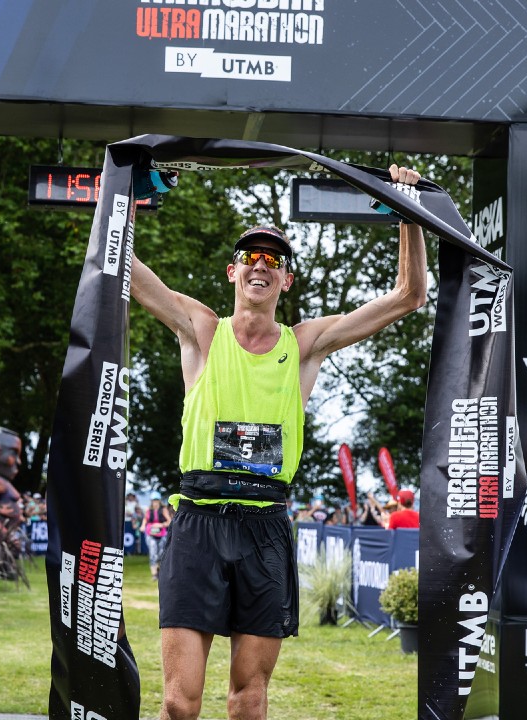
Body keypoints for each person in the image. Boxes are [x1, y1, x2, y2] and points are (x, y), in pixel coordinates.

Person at [131, 164, 425, 720]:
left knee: (248, 701)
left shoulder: (305, 345)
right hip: (198, 519)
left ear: (286, 280)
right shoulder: (202, 329)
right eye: (250, 257)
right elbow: (120, 266)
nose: (261, 264)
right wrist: (125, 193)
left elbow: (409, 296)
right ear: (232, 273)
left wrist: (407, 209)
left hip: (264, 529)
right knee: (178, 702)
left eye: (274, 259)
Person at [142, 495, 172, 580]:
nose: (155, 502)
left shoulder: (163, 509)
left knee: (161, 554)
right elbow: (145, 519)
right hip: (150, 534)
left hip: (162, 534)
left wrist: (161, 525)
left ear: (159, 501)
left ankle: (160, 571)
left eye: (156, 500)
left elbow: (169, 521)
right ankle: (154, 574)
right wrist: (143, 526)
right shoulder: (149, 510)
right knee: (153, 554)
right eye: (153, 500)